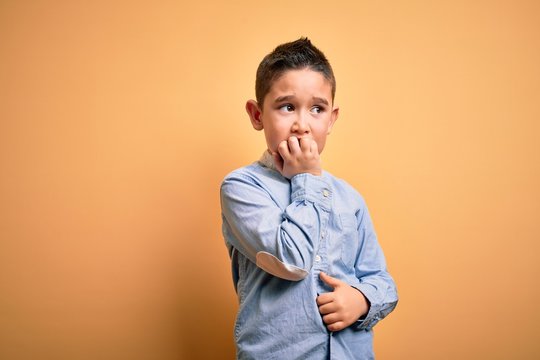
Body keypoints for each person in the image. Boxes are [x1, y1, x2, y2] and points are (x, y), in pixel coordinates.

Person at [220, 37, 398, 359]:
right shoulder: (241, 188)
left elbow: (383, 281)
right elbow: (293, 261)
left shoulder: (350, 199)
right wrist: (306, 178)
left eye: (317, 109)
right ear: (257, 114)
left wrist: (362, 300)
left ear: (331, 119)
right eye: (287, 107)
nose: (302, 125)